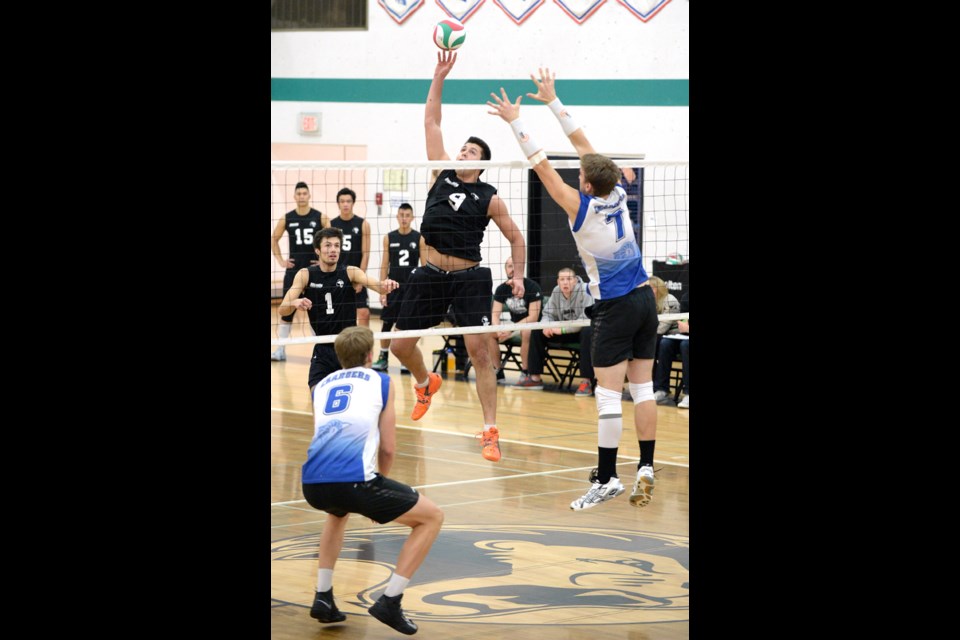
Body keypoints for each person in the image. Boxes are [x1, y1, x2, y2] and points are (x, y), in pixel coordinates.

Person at [488, 68, 659, 511]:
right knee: (642, 390)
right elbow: (586, 147)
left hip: (616, 307)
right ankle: (646, 466)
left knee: (607, 395)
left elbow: (541, 164)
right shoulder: (618, 190)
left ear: (585, 182)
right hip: (645, 299)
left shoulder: (579, 207)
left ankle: (606, 479)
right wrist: (553, 101)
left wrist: (514, 120)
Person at [389, 51, 527, 463]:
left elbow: (517, 238)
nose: (462, 152)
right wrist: (438, 76)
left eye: (469, 151)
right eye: (462, 148)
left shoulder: (489, 197)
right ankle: (424, 381)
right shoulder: (441, 174)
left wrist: (518, 275)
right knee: (398, 345)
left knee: (481, 353)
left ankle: (489, 431)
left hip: (470, 279)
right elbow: (432, 122)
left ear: (481, 162)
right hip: (429, 274)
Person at [302, 325, 444, 635]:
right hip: (355, 482)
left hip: (312, 482)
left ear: (340, 356)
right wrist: (378, 495)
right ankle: (390, 601)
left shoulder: (321, 385)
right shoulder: (382, 381)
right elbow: (389, 447)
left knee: (337, 512)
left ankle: (323, 596)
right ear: (370, 355)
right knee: (432, 517)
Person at [278, 227, 398, 391]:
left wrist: (386, 285)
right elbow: (283, 310)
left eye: (336, 245)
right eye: (328, 245)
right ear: (317, 250)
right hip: (322, 347)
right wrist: (294, 303)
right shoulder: (305, 274)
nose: (333, 250)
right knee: (316, 394)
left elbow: (379, 287)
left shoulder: (350, 272)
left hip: (347, 347)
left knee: (353, 398)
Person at [512, 267, 595, 398]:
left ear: (575, 281)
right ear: (558, 282)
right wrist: (547, 326)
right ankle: (535, 378)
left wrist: (562, 330)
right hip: (561, 331)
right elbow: (547, 314)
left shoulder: (585, 290)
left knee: (587, 331)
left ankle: (586, 382)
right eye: (562, 279)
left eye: (569, 279)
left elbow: (584, 319)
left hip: (580, 331)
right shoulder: (556, 292)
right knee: (536, 330)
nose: (565, 283)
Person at [271, 181, 329, 361]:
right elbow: (274, 239)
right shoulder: (287, 218)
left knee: (317, 312)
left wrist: (322, 259)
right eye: (299, 193)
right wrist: (281, 260)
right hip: (294, 271)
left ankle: (321, 350)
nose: (302, 196)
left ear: (309, 195)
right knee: (287, 310)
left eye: (305, 193)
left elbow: (331, 239)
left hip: (314, 271)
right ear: (295, 197)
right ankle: (280, 349)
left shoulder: (320, 217)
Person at [373, 203, 426, 372]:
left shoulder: (419, 238)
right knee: (387, 323)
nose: (404, 218)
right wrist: (382, 288)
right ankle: (383, 356)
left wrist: (424, 290)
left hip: (411, 289)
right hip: (392, 287)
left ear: (412, 218)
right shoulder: (389, 237)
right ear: (397, 217)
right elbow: (384, 265)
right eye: (401, 215)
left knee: (407, 324)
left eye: (407, 215)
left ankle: (405, 358)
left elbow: (424, 266)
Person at [490, 256, 542, 385]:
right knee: (489, 333)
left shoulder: (532, 287)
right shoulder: (501, 289)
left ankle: (525, 371)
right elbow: (495, 315)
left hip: (533, 326)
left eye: (515, 266)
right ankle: (498, 370)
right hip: (513, 326)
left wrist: (511, 329)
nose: (512, 269)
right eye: (509, 266)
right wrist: (498, 329)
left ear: (520, 269)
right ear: (506, 270)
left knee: (526, 331)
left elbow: (533, 317)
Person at [329, 187, 373, 328]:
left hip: (355, 274)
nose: (345, 204)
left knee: (364, 313)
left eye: (348, 201)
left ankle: (366, 349)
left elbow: (366, 253)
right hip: (337, 276)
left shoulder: (363, 224)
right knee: (339, 315)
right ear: (338, 204)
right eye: (342, 201)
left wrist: (360, 279)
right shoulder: (331, 225)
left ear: (353, 203)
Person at [654, 290, 689, 408]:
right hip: (684, 336)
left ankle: (688, 393)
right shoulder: (686, 296)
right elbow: (683, 321)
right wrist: (684, 326)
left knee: (686, 345)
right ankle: (661, 389)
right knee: (665, 343)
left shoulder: (670, 299)